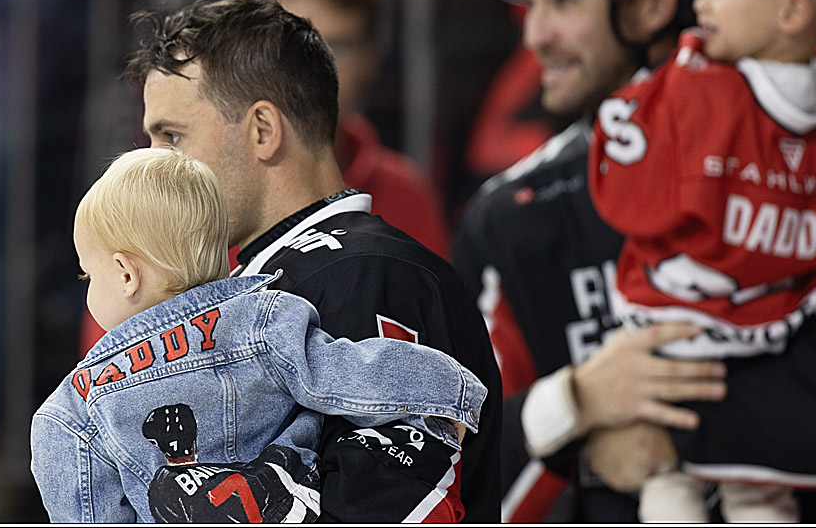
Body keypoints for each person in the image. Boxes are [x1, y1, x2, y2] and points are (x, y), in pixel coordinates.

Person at [125, 0, 503, 521]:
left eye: (172, 136)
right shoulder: (271, 279)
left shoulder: (370, 274)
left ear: (262, 130)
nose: (150, 166)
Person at [451, 0, 732, 522]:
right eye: (531, 3)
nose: (535, 35)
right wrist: (574, 403)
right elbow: (450, 476)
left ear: (653, 3)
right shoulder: (512, 216)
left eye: (563, 1)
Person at [588, 0, 816, 522]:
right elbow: (623, 177)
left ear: (791, 13)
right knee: (676, 488)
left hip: (773, 331)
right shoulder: (691, 84)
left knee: (751, 493)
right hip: (690, 331)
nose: (701, 4)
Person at [30, 146, 486, 522]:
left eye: (88, 275)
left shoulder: (72, 408)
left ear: (125, 274)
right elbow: (354, 376)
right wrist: (448, 395)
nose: (87, 287)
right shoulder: (266, 321)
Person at [243, 0, 451, 258]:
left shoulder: (408, 196)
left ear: (372, 58)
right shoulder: (207, 198)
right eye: (291, 45)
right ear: (246, 56)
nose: (312, 67)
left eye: (337, 45)